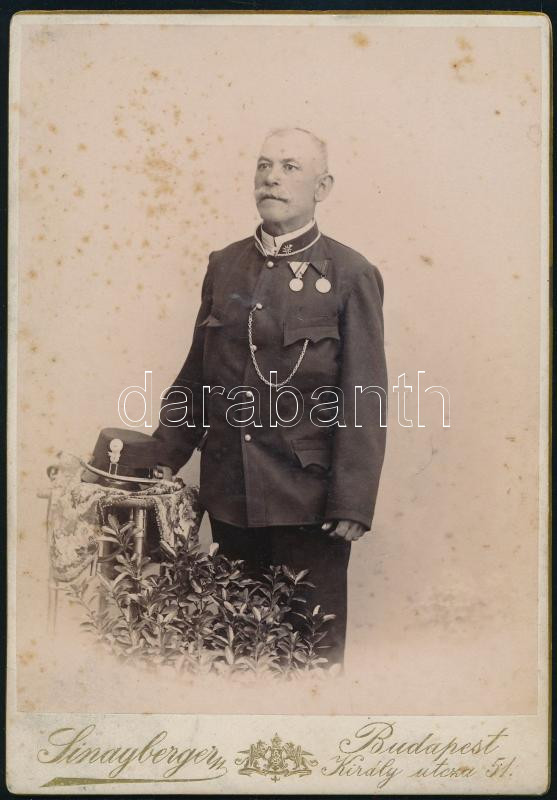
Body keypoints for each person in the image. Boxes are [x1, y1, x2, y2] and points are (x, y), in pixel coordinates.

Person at [153, 127, 387, 665]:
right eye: (263, 165)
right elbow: (196, 376)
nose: (271, 178)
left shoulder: (352, 274)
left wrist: (352, 501)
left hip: (308, 505)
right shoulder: (225, 265)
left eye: (289, 167)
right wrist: (163, 456)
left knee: (308, 662)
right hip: (229, 495)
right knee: (230, 657)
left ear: (322, 188)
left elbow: (365, 395)